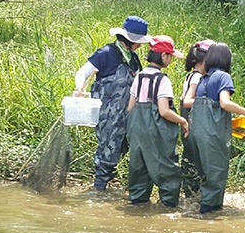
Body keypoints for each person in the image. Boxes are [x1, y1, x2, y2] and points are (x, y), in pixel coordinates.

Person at [74, 15, 151, 190]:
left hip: (127, 115)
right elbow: (83, 72)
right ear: (128, 40)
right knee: (107, 151)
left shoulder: (133, 59)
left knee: (123, 149)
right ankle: (99, 190)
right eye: (138, 41)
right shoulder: (106, 53)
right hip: (107, 116)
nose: (140, 45)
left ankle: (109, 186)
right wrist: (79, 88)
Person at [190, 42, 245, 214]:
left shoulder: (202, 79)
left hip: (197, 132)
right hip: (213, 135)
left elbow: (208, 108)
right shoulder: (222, 77)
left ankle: (201, 206)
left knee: (205, 172)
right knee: (216, 173)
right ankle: (209, 214)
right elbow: (224, 103)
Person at [126, 35, 188, 207]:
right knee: (166, 168)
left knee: (139, 168)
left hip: (137, 129)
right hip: (156, 131)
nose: (170, 59)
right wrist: (182, 120)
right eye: (170, 56)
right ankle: (168, 206)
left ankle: (138, 205)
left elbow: (130, 107)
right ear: (163, 56)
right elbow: (164, 111)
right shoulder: (163, 80)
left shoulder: (138, 77)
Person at [179, 39, 215, 198]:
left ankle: (191, 194)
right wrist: (212, 103)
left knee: (190, 157)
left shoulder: (191, 75)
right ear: (206, 60)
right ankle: (192, 195)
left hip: (190, 123)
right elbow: (187, 101)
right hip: (192, 123)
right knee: (194, 159)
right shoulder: (196, 78)